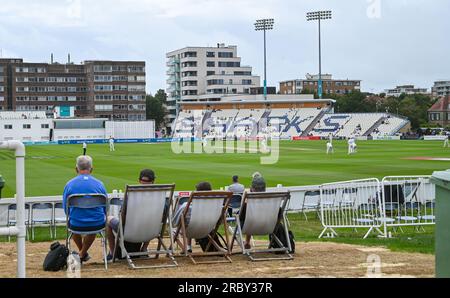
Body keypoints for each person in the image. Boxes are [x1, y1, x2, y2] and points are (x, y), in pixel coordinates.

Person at [63, 155, 108, 263]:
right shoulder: (99, 184)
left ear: (76, 169)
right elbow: (106, 208)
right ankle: (83, 253)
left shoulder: (69, 185)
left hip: (76, 224)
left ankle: (82, 253)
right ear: (91, 169)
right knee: (94, 221)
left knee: (72, 223)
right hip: (97, 223)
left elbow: (66, 210)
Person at [105, 169, 156, 261]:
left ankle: (112, 253)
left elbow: (123, 217)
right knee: (150, 221)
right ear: (153, 181)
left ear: (139, 180)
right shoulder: (159, 196)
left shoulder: (132, 196)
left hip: (130, 230)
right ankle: (144, 248)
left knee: (108, 219)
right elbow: (163, 216)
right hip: (151, 230)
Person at [172, 181, 212, 253]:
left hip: (192, 231)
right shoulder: (216, 205)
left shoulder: (187, 205)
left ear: (198, 192)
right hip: (209, 229)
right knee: (190, 222)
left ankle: (186, 248)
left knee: (183, 225)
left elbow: (175, 222)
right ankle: (188, 246)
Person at [242, 172, 266, 250]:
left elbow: (241, 216)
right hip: (268, 226)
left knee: (250, 219)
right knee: (251, 219)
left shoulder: (247, 204)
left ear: (252, 188)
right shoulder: (271, 202)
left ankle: (247, 242)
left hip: (251, 226)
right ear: (265, 188)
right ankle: (247, 242)